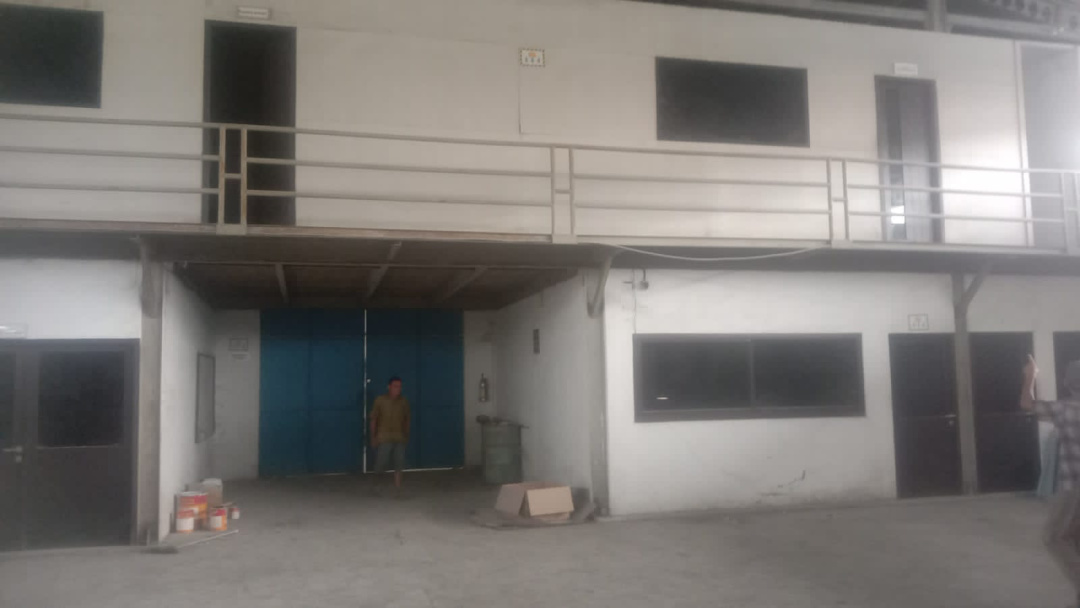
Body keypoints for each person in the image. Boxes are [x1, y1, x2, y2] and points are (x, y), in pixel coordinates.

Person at [1021, 355, 1080, 605]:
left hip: (1074, 487)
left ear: (1068, 383)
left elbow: (1027, 403)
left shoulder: (1065, 409)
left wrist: (1030, 376)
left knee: (1054, 537)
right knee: (1074, 538)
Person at [370, 376, 411, 491]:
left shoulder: (403, 401)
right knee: (381, 462)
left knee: (399, 462)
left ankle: (398, 486)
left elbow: (407, 419)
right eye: (395, 386)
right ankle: (377, 484)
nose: (398, 389)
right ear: (389, 387)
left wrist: (406, 434)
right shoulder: (380, 400)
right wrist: (373, 437)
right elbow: (373, 419)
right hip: (384, 437)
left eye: (399, 387)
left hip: (399, 436)